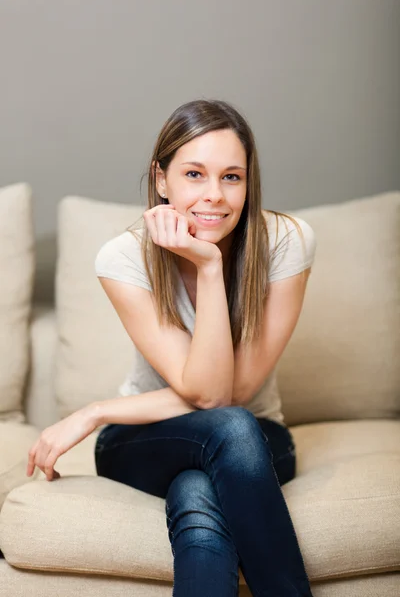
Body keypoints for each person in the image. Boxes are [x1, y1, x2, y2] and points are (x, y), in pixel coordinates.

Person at [27, 99, 316, 596]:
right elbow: (209, 396)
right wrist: (106, 420)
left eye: (231, 177)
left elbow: (228, 392)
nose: (214, 196)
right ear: (162, 180)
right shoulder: (123, 257)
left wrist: (95, 410)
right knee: (226, 428)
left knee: (199, 488)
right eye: (194, 174)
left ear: (249, 183)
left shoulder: (286, 241)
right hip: (143, 439)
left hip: (256, 438)